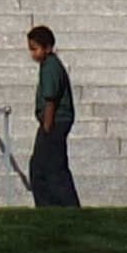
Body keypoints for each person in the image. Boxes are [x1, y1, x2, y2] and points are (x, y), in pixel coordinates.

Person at [25, 25, 80, 208]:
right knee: (40, 167)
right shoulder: (47, 66)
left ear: (47, 48)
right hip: (54, 122)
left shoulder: (50, 67)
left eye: (35, 49)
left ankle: (66, 206)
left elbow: (51, 99)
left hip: (55, 122)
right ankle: (49, 207)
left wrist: (47, 126)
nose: (33, 54)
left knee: (53, 167)